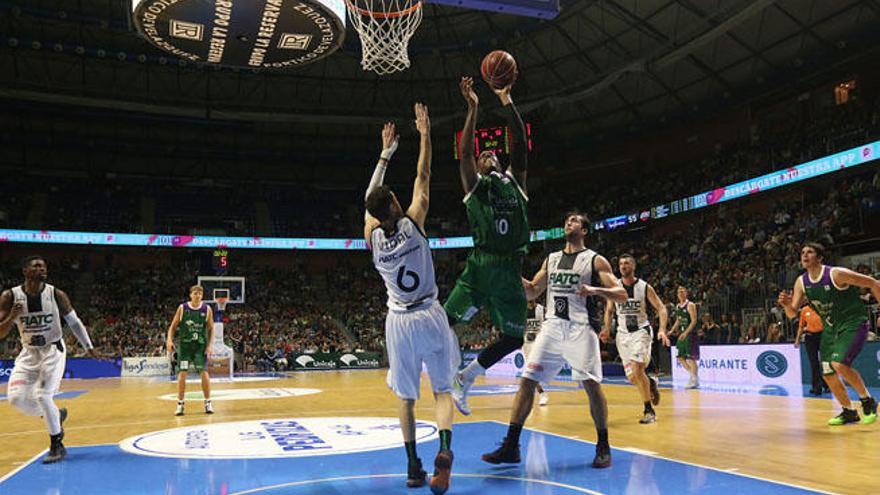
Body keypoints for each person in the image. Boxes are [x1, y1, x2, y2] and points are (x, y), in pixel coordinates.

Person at [482, 211, 626, 468]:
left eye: (574, 221)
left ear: (584, 230)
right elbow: (533, 291)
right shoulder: (552, 259)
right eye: (567, 220)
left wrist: (595, 289)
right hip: (552, 328)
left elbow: (621, 293)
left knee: (591, 385)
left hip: (580, 328)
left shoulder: (595, 260)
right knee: (527, 381)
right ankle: (511, 446)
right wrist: (511, 272)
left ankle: (603, 445)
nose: (568, 222)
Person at [364, 103, 457, 494]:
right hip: (430, 312)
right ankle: (446, 449)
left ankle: (413, 466)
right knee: (442, 389)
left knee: (405, 396)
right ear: (396, 205)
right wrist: (425, 134)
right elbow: (424, 173)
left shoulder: (372, 239)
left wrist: (384, 154)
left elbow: (369, 199)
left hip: (398, 321)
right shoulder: (415, 219)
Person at [446, 76, 530, 416]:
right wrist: (474, 109)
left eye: (494, 152)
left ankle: (466, 378)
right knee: (443, 323)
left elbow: (521, 143)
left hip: (510, 269)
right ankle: (440, 374)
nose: (489, 154)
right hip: (481, 267)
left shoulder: (516, 182)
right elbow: (465, 151)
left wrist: (507, 101)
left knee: (514, 339)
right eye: (484, 155)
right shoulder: (473, 187)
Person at [0, 255, 102, 464]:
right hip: (29, 353)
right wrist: (11, 316)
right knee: (16, 399)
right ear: (25, 271)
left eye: (44, 266)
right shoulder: (10, 296)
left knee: (42, 395)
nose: (42, 269)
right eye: (36, 266)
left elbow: (74, 323)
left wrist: (89, 347)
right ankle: (56, 415)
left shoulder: (56, 294)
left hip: (52, 351)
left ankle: (57, 444)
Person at [778, 242, 878, 425]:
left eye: (810, 252)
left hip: (853, 322)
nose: (805, 255)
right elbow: (793, 313)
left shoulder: (836, 274)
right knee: (828, 372)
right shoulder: (801, 281)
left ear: (820, 257)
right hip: (830, 329)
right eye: (802, 252)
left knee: (838, 364)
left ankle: (867, 400)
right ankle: (849, 411)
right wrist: (786, 305)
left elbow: (873, 283)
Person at [601, 253, 670, 424]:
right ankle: (651, 383)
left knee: (638, 370)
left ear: (633, 266)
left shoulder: (645, 287)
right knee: (633, 378)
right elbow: (609, 310)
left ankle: (649, 411)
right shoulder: (614, 287)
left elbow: (661, 308)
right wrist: (606, 328)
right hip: (622, 335)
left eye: (627, 263)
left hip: (641, 331)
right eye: (621, 263)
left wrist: (662, 329)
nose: (623, 266)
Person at [166, 285, 215, 416]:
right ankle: (180, 404)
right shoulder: (183, 308)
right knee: (182, 375)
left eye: (200, 293)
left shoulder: (207, 309)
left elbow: (211, 329)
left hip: (200, 347)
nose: (197, 295)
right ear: (190, 295)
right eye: (195, 293)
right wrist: (169, 340)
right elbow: (172, 326)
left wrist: (210, 345)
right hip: (185, 348)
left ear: (202, 295)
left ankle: (208, 402)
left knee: (204, 373)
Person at [670, 286, 699, 389]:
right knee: (680, 357)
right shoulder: (678, 306)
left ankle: (694, 380)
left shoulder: (690, 305)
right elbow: (678, 320)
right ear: (677, 295)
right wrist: (672, 330)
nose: (681, 294)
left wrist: (686, 333)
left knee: (691, 358)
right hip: (682, 334)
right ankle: (693, 376)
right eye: (679, 292)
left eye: (683, 292)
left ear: (686, 293)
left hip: (690, 334)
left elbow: (694, 320)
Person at [794, 303, 826, 396]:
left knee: (824, 362)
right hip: (810, 337)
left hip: (822, 336)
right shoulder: (804, 310)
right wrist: (797, 340)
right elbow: (801, 326)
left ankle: (827, 384)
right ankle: (817, 387)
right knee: (814, 362)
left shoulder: (821, 308)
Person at [523, 302, 548, 406]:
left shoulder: (542, 309)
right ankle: (541, 393)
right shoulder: (522, 309)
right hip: (526, 344)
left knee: (533, 369)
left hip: (538, 343)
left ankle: (541, 394)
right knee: (530, 370)